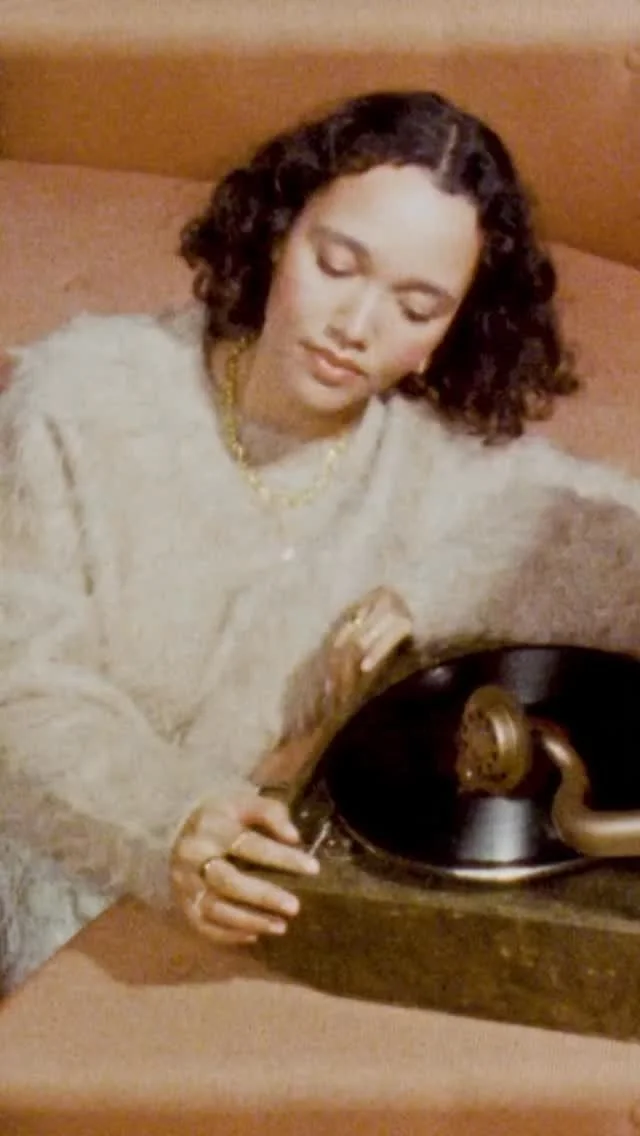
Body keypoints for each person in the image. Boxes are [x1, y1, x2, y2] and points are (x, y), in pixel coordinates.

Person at [1, 90, 640, 993]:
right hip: (39, 870)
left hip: (251, 915)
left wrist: (437, 592)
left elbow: (608, 546)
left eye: (417, 306)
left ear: (446, 334)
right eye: (337, 264)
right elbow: (19, 690)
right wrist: (169, 821)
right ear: (276, 236)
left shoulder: (440, 469)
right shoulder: (82, 394)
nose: (357, 326)